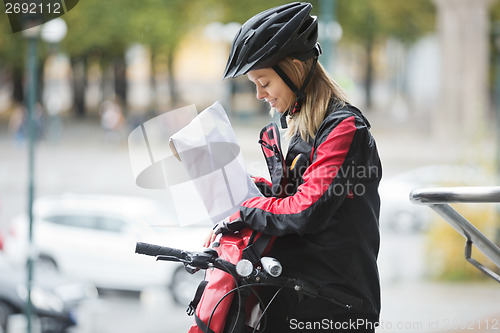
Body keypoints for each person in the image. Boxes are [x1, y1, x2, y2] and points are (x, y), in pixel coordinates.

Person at [204, 2, 382, 332]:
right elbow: (287, 194)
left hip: (334, 310)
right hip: (291, 300)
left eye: (264, 82)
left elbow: (305, 209)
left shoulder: (343, 129)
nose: (259, 94)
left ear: (294, 69)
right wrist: (239, 192)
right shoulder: (300, 129)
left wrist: (244, 209)